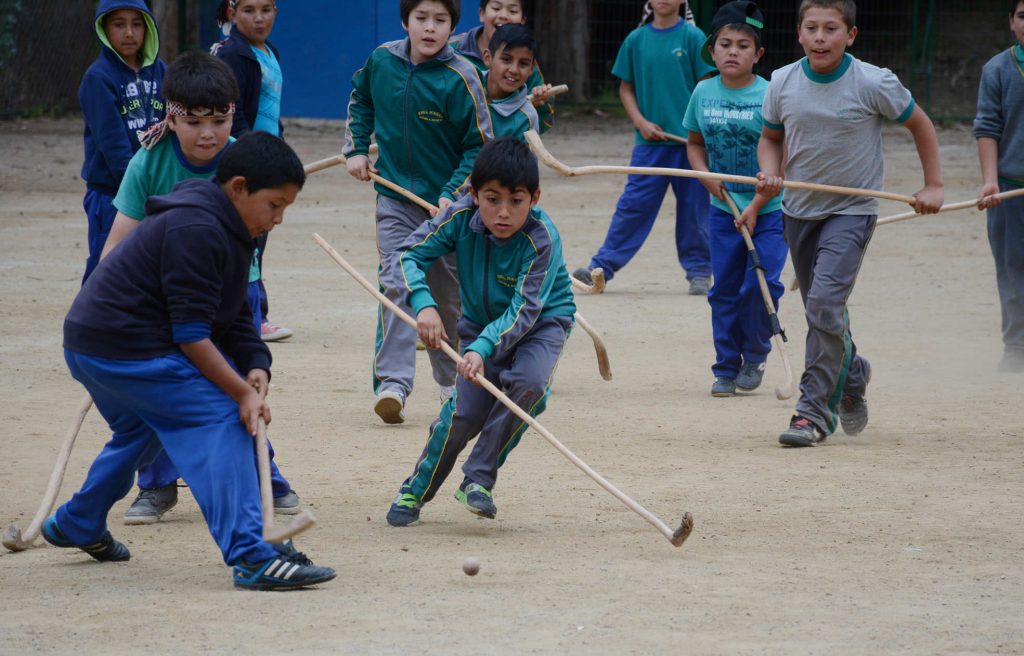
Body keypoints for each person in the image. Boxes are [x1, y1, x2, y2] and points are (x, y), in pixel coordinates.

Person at [45, 132, 336, 591]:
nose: (278, 219)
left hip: (93, 344)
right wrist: (240, 393)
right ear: (238, 187)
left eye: (286, 209)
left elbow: (233, 314)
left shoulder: (234, 228)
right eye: (275, 205)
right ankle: (252, 555)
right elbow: (193, 336)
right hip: (124, 347)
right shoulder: (197, 230)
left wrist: (257, 364)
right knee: (221, 419)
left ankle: (78, 521)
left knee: (143, 430)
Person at [100, 51, 301, 523]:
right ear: (170, 114)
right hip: (164, 303)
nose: (207, 133)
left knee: (238, 386)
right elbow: (117, 247)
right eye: (192, 121)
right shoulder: (147, 162)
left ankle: (263, 476)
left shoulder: (245, 161)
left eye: (219, 119)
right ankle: (157, 486)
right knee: (168, 393)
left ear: (234, 112)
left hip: (233, 291)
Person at [756, 0, 944, 447]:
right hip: (798, 211)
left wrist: (933, 185)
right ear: (799, 34)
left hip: (852, 211)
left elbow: (920, 125)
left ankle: (812, 413)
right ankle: (853, 371)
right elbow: (770, 137)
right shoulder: (782, 81)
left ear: (851, 35)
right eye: (812, 29)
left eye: (831, 29)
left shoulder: (874, 82)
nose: (821, 38)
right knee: (823, 312)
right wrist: (768, 173)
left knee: (822, 305)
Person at [384, 137, 576, 527]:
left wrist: (484, 347)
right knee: (464, 414)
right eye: (492, 199)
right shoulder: (457, 217)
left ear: (535, 198)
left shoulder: (542, 239)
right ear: (473, 193)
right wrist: (423, 303)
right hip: (476, 325)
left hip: (541, 324)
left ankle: (478, 478)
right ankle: (416, 489)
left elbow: (524, 309)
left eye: (516, 201)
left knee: (529, 384)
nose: (503, 213)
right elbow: (406, 254)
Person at [345, 0, 493, 424]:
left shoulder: (462, 77)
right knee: (396, 283)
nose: (430, 28)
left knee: (446, 297)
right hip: (395, 200)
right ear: (405, 21)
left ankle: (453, 383)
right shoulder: (381, 61)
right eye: (421, 19)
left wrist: (452, 193)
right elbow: (362, 101)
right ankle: (393, 383)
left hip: (449, 209)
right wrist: (356, 148)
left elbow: (478, 146)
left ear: (453, 26)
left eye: (440, 20)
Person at [572, 0, 715, 296]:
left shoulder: (693, 37)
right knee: (633, 207)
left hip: (690, 145)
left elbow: (707, 86)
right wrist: (641, 122)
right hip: (649, 145)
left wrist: (699, 131)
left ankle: (700, 271)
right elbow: (626, 88)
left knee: (695, 210)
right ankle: (601, 268)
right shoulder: (635, 39)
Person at [683, 1, 787, 397]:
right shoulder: (702, 91)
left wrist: (757, 205)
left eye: (743, 45)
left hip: (770, 211)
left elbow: (782, 156)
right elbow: (694, 145)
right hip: (722, 209)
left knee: (761, 286)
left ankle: (756, 353)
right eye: (724, 44)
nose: (732, 51)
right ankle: (725, 366)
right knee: (724, 288)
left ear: (758, 54)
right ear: (712, 50)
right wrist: (707, 179)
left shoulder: (771, 94)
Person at [212, 0, 292, 342]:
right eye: (248, 10)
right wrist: (253, 158)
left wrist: (280, 150)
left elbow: (270, 112)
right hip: (246, 162)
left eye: (266, 9)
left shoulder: (268, 51)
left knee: (257, 240)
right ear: (232, 12)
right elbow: (237, 115)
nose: (258, 18)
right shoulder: (233, 55)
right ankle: (249, 317)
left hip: (265, 158)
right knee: (246, 241)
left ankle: (254, 314)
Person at [79, 0, 166, 282]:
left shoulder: (161, 72)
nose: (129, 33)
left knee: (150, 267)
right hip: (111, 194)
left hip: (155, 191)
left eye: (137, 24)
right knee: (107, 264)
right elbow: (113, 145)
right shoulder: (98, 78)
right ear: (104, 29)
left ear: (147, 28)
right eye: (119, 24)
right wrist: (137, 190)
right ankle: (89, 321)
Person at [975, 0, 1024, 373]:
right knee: (1012, 267)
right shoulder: (998, 69)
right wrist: (990, 180)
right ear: (1011, 22)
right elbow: (987, 127)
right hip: (1011, 188)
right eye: (1023, 16)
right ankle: (1016, 346)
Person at [451, 0, 555, 131]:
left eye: (512, 11)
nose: (503, 15)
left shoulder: (527, 68)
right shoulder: (451, 51)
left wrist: (540, 104)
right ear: (482, 13)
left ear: (523, 20)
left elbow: (538, 124)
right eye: (496, 8)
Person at [482, 24, 549, 137]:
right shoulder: (464, 88)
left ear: (531, 69)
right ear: (488, 58)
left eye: (523, 63)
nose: (514, 70)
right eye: (506, 59)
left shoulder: (526, 118)